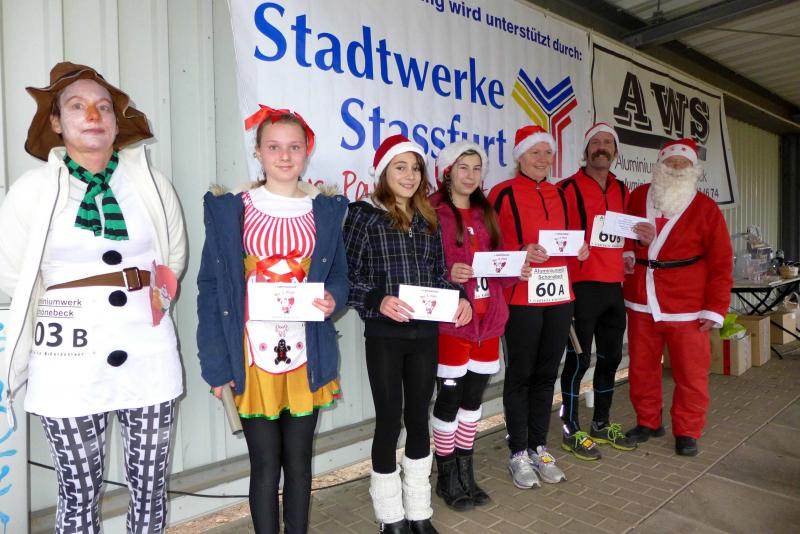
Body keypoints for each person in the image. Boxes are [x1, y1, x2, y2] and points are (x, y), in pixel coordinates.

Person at [0, 62, 187, 533]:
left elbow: (174, 257)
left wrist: (154, 304)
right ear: (56, 122)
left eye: (103, 107)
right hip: (68, 360)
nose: (93, 115)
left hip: (148, 355)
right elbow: (10, 277)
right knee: (78, 491)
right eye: (77, 106)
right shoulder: (31, 192)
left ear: (116, 123)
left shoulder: (149, 184)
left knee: (150, 486)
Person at [196, 105, 348, 533]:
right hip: (251, 359)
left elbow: (339, 275)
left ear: (306, 152)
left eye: (294, 147)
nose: (284, 156)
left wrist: (333, 299)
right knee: (265, 466)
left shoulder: (325, 210)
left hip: (305, 354)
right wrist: (216, 367)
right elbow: (210, 288)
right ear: (258, 152)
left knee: (299, 464)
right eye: (274, 147)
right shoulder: (232, 209)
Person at [344, 135, 472, 534]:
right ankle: (390, 516)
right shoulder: (363, 215)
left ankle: (418, 511)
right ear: (384, 171)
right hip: (385, 336)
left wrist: (461, 297)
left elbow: (437, 275)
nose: (410, 175)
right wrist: (378, 300)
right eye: (400, 167)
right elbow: (348, 278)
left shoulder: (427, 219)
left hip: (424, 336)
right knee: (388, 422)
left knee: (418, 419)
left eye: (415, 168)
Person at [429, 141, 530, 511]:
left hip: (488, 324)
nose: (470, 176)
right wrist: (447, 272)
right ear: (447, 172)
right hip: (453, 325)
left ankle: (465, 472)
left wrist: (515, 270)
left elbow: (497, 266)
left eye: (476, 168)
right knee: (449, 400)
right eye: (463, 168)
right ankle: (446, 477)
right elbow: (425, 266)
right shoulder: (434, 213)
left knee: (472, 401)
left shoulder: (487, 212)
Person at [488, 125, 589, 489]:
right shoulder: (501, 193)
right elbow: (488, 245)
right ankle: (518, 452)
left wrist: (580, 250)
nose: (543, 159)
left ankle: (539, 446)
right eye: (535, 152)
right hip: (522, 297)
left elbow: (572, 240)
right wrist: (520, 252)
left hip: (559, 296)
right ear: (520, 156)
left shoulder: (560, 193)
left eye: (548, 152)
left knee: (547, 373)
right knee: (521, 375)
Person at [622, 138, 733, 456]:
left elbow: (721, 261)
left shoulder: (706, 208)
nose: (676, 168)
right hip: (643, 298)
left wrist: (715, 307)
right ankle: (648, 421)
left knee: (691, 373)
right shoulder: (638, 196)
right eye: (671, 162)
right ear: (659, 165)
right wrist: (629, 251)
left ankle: (687, 430)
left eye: (683, 164)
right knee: (642, 367)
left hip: (688, 304)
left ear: (693, 170)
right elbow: (624, 235)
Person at [557, 123, 637, 460]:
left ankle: (600, 424)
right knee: (579, 360)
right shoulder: (566, 188)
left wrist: (630, 250)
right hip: (581, 287)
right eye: (595, 142)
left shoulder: (622, 188)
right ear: (586, 149)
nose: (601, 147)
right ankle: (570, 429)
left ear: (615, 151)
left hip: (613, 287)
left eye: (607, 142)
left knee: (611, 358)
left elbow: (625, 232)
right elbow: (553, 233)